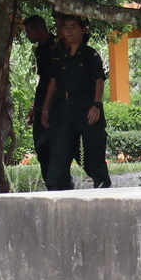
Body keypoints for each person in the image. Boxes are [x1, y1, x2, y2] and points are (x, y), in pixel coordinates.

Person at [39, 15, 112, 191]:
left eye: (74, 27)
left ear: (83, 30)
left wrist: (96, 105)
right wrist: (45, 110)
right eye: (66, 27)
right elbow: (54, 82)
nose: (69, 31)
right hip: (68, 109)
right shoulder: (62, 56)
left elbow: (99, 81)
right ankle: (55, 189)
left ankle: (103, 188)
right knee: (60, 152)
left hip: (87, 108)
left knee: (93, 155)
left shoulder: (90, 54)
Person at [22, 14, 60, 169]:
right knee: (41, 147)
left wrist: (47, 107)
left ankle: (60, 180)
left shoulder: (57, 46)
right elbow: (43, 79)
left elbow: (55, 80)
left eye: (29, 32)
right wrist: (35, 106)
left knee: (52, 146)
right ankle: (52, 180)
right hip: (41, 101)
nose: (27, 36)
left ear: (39, 30)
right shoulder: (40, 49)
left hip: (55, 103)